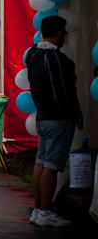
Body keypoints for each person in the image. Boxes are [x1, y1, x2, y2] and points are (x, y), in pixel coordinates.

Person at [26, 15, 81, 227]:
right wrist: (69, 112)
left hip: (42, 116)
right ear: (59, 33)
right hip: (58, 119)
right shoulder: (54, 59)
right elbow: (60, 92)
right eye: (64, 33)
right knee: (51, 165)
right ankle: (44, 211)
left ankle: (38, 210)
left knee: (41, 163)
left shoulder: (33, 55)